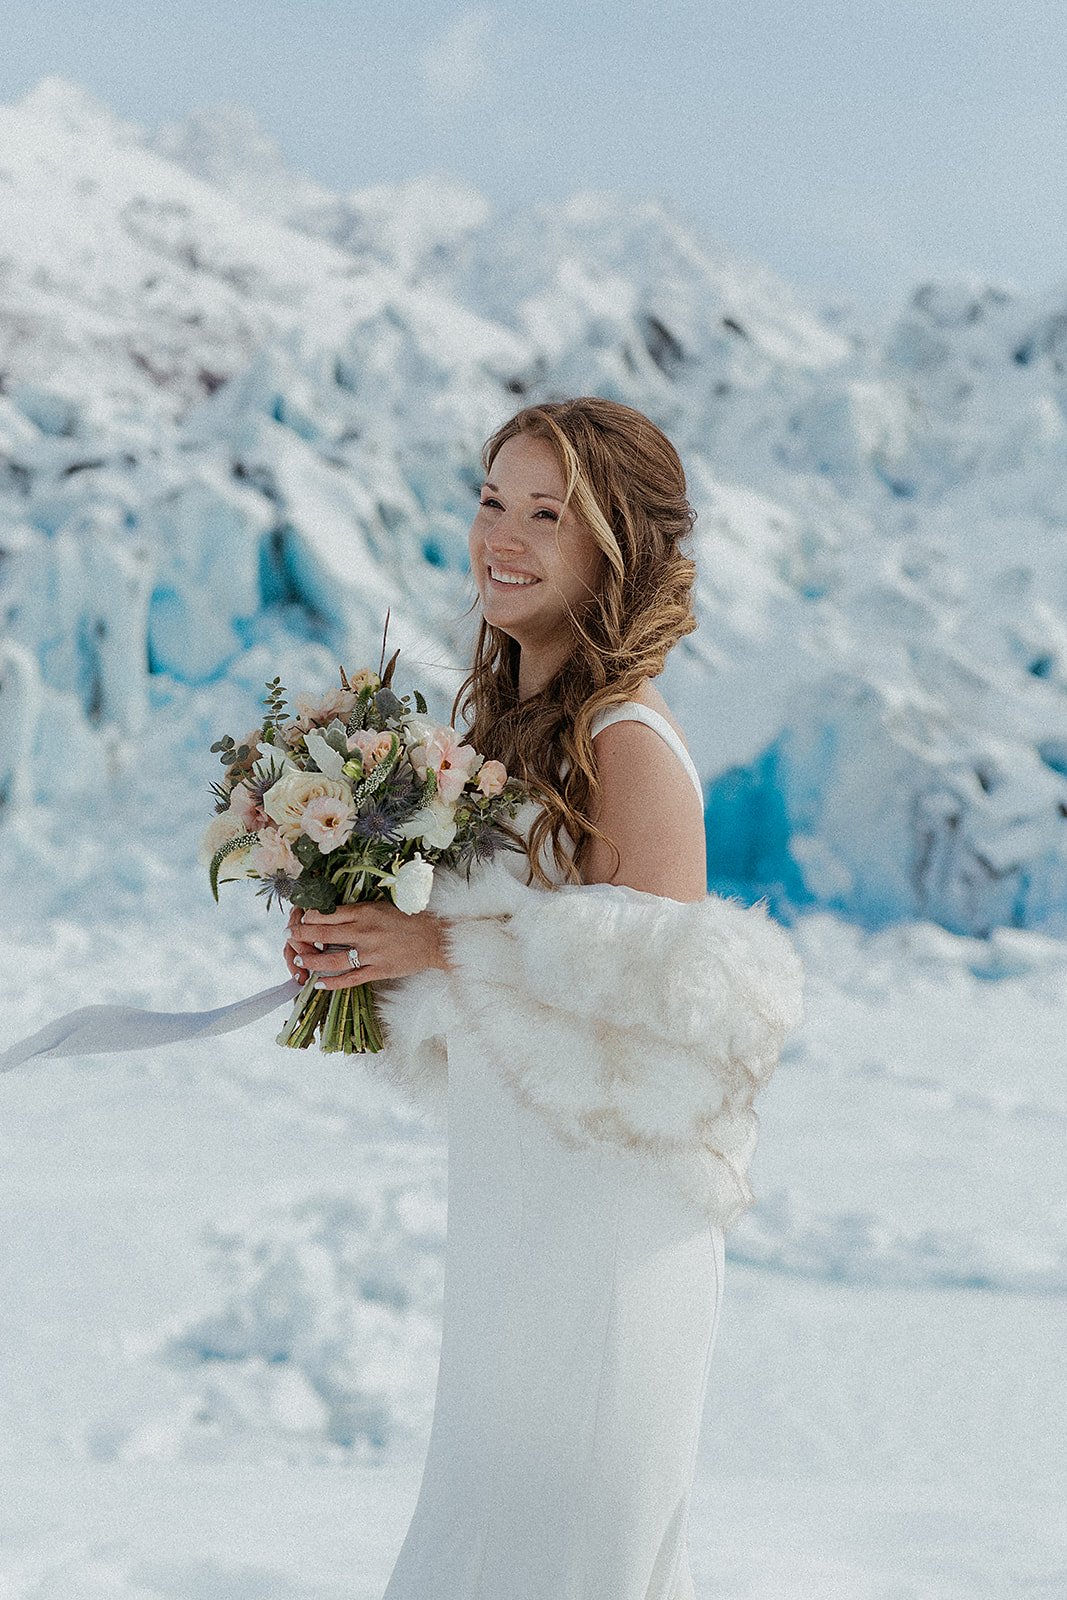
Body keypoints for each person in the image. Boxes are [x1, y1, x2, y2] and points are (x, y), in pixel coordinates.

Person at [282, 397, 805, 1599]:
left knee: (568, 1561)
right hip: (516, 1213)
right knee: (483, 1547)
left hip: (612, 1233)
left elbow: (676, 1025)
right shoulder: (509, 738)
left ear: (614, 544)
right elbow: (499, 983)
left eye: (546, 514)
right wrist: (365, 954)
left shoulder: (624, 739)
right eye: (490, 500)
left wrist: (438, 950)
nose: (501, 537)